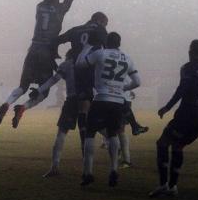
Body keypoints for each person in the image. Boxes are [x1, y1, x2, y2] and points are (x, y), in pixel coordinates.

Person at [0, 0, 81, 128]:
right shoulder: (60, 9)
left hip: (34, 47)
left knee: (23, 85)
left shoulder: (40, 6)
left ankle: (7, 103)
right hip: (46, 51)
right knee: (44, 90)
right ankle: (23, 108)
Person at [149, 40, 198, 198]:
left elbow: (182, 89)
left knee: (162, 143)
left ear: (190, 51)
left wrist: (167, 107)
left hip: (188, 115)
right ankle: (172, 186)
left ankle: (164, 185)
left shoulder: (187, 68)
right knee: (178, 146)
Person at [76, 32, 141, 187]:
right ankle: (113, 170)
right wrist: (122, 87)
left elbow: (79, 64)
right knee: (113, 134)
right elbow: (137, 81)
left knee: (90, 133)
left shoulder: (100, 53)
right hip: (118, 101)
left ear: (106, 42)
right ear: (119, 43)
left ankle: (88, 172)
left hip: (101, 98)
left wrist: (87, 46)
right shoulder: (127, 58)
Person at [56, 12, 109, 150]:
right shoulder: (100, 29)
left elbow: (58, 40)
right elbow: (107, 49)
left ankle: (88, 147)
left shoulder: (75, 29)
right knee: (92, 115)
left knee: (81, 115)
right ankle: (110, 139)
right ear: (99, 20)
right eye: (105, 24)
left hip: (77, 73)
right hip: (92, 74)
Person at [28, 49, 79, 177]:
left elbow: (54, 79)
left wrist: (39, 90)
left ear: (68, 56)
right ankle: (115, 148)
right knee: (95, 130)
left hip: (72, 100)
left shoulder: (66, 64)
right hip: (88, 99)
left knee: (61, 133)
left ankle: (55, 166)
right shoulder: (86, 62)